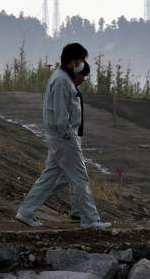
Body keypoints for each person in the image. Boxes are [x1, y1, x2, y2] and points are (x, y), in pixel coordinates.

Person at [15, 43, 111, 229]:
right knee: (80, 177)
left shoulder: (64, 79)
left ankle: (26, 212)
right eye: (81, 61)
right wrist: (70, 138)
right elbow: (60, 116)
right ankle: (91, 219)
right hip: (64, 137)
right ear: (73, 60)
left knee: (51, 177)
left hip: (61, 137)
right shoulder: (61, 81)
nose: (82, 64)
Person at [52, 61, 90, 222]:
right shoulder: (66, 89)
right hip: (69, 137)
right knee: (76, 174)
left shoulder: (74, 90)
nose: (84, 79)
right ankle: (79, 211)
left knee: (66, 175)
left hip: (74, 136)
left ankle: (77, 210)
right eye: (83, 75)